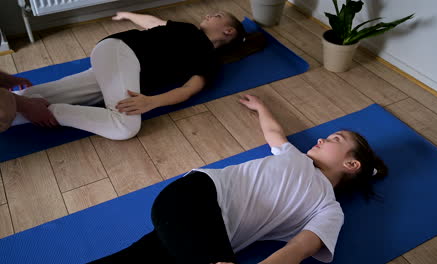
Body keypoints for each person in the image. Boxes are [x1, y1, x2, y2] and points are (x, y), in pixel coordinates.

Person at [89, 94, 388, 264]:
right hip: (197, 196)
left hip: (206, 235)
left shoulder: (329, 209)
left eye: (335, 138)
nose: (322, 138)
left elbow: (298, 249)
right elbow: (273, 133)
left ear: (351, 163)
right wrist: (261, 108)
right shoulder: (292, 155)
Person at [4, 11, 246, 140]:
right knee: (125, 127)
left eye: (216, 15)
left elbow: (188, 89)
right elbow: (153, 22)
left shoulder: (210, 61)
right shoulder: (187, 28)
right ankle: (55, 112)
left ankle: (16, 106)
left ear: (228, 30)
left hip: (117, 68)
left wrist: (152, 101)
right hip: (122, 52)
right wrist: (129, 14)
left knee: (44, 96)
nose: (207, 15)